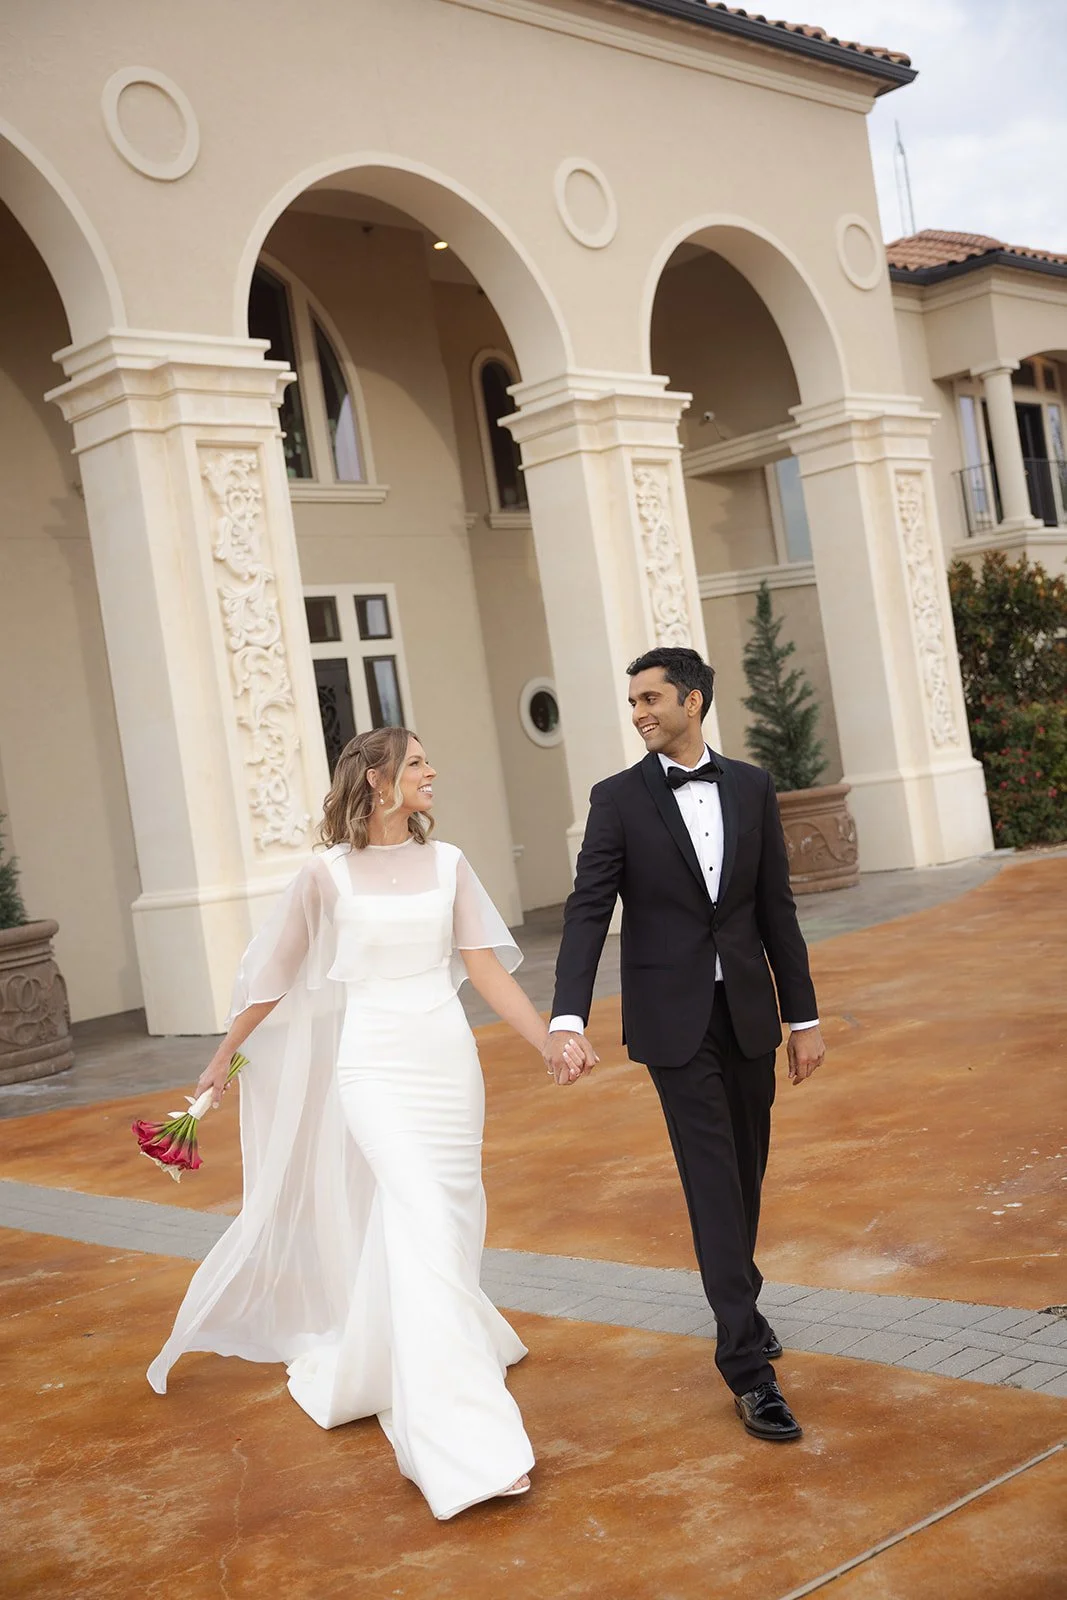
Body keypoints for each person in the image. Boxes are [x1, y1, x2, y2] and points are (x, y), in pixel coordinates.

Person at [147, 727, 595, 1520]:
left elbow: (484, 969)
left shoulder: (449, 862)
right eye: (416, 762)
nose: (431, 771)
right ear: (377, 779)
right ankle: (462, 1441)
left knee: (447, 1220)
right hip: (374, 1068)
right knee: (419, 1214)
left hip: (446, 1063)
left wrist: (548, 1040)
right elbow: (274, 977)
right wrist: (223, 1057)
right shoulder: (324, 875)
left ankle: (406, 1350)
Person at [545, 646, 825, 1443]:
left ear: (692, 701)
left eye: (650, 698)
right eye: (632, 700)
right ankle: (747, 1367)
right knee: (710, 1182)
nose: (638, 711)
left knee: (745, 1172)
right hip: (672, 1022)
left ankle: (741, 1299)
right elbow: (588, 909)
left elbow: (774, 908)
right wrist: (567, 1016)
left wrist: (802, 1018)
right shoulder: (616, 800)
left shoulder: (752, 787)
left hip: (747, 1012)